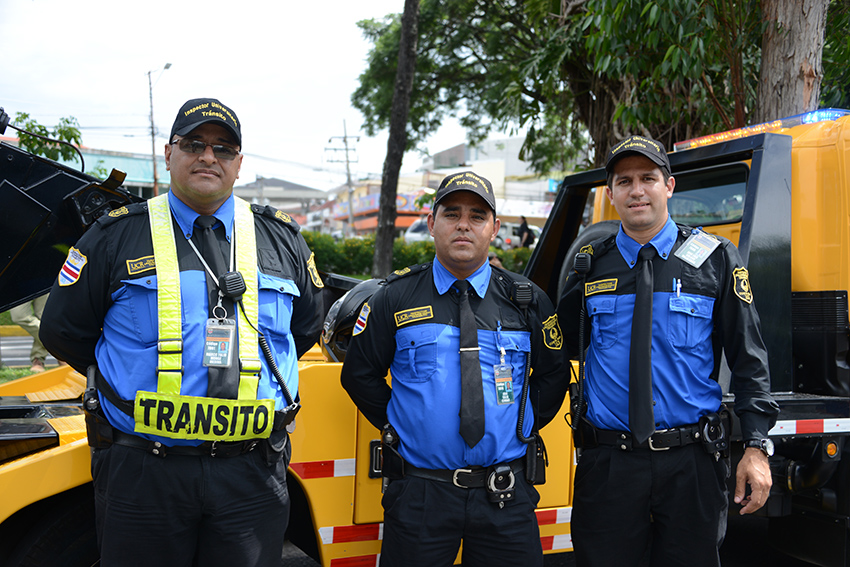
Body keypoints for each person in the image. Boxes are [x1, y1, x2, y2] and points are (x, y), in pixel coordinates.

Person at [40, 97, 324, 567]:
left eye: (223, 149)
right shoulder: (115, 235)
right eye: (194, 144)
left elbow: (302, 331)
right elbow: (64, 331)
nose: (208, 157)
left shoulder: (282, 239)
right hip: (145, 470)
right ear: (170, 154)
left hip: (250, 473)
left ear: (239, 165)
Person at [557, 135, 779, 566]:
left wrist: (755, 446)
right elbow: (553, 349)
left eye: (648, 178)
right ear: (611, 194)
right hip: (609, 467)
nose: (637, 190)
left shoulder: (715, 260)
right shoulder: (589, 266)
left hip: (690, 465)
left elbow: (749, 358)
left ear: (669, 186)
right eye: (625, 181)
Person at [340, 171, 566, 567]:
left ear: (494, 228)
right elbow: (358, 374)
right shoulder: (394, 297)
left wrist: (522, 426)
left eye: (478, 216)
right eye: (451, 213)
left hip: (505, 493)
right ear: (431, 223)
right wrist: (401, 425)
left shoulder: (527, 301)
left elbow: (553, 376)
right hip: (421, 494)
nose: (464, 224)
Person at [10, 295, 50, 372]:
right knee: (19, 316)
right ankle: (58, 344)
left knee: (43, 317)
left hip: (44, 283)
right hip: (16, 284)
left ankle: (38, 359)